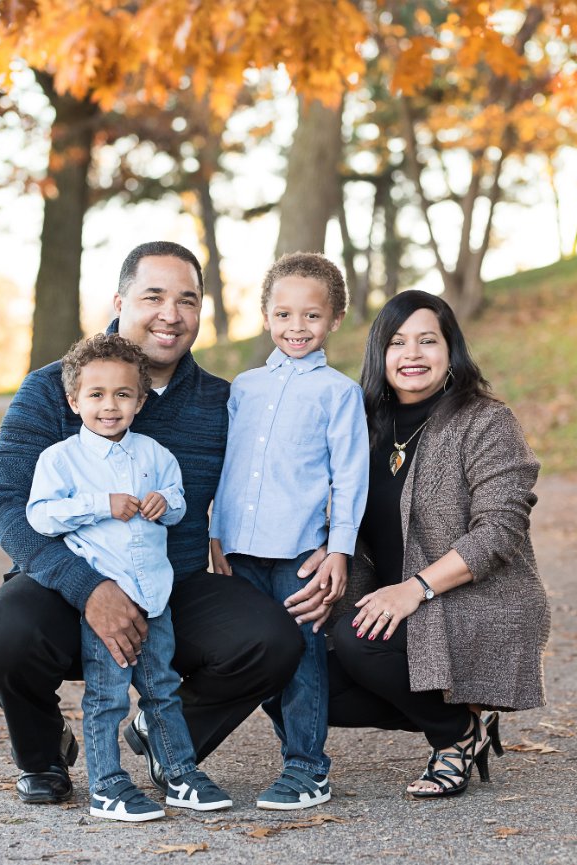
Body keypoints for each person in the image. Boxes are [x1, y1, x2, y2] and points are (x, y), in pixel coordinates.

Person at [0, 241, 334, 806]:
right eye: (153, 296)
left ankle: (171, 742)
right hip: (69, 580)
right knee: (7, 635)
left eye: (186, 300)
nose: (171, 314)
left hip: (174, 583)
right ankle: (45, 753)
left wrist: (329, 543)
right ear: (120, 301)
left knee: (272, 640)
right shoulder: (54, 389)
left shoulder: (222, 400)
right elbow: (9, 506)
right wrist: (88, 588)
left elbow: (280, 476)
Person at [327, 289, 550, 798]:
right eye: (398, 342)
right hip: (392, 601)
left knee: (361, 642)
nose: (412, 354)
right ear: (379, 354)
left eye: (428, 341)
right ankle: (458, 710)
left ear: (451, 351)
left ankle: (456, 736)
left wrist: (416, 589)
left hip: (473, 599)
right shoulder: (361, 426)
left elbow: (500, 530)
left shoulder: (485, 422)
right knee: (303, 672)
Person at [27, 334, 231, 821]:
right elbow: (40, 515)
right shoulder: (61, 459)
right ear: (74, 400)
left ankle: (179, 772)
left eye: (122, 394)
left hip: (155, 596)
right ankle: (108, 785)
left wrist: (166, 504)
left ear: (140, 400)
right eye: (96, 395)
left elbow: (181, 503)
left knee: (162, 687)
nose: (109, 406)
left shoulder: (155, 454)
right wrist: (101, 506)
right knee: (107, 696)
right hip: (108, 603)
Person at [210, 253, 369, 810]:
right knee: (257, 659)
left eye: (311, 316)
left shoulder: (339, 393)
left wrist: (340, 552)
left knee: (300, 656)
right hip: (238, 552)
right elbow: (224, 467)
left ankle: (307, 767)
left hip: (300, 555)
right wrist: (214, 533)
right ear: (265, 316)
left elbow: (350, 480)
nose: (296, 328)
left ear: (334, 320)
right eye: (284, 314)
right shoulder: (244, 389)